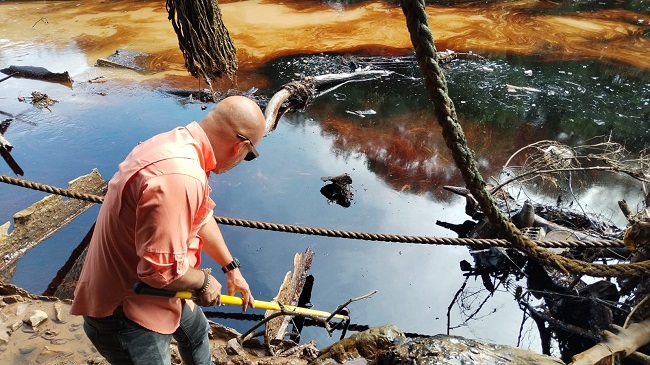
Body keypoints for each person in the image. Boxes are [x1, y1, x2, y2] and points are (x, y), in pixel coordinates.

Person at [70, 95, 266, 365]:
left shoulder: (178, 144)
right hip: (127, 309)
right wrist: (204, 281)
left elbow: (201, 216)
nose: (244, 159)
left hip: (161, 291)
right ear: (240, 146)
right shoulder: (180, 176)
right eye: (249, 155)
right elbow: (159, 272)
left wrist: (231, 268)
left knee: (197, 333)